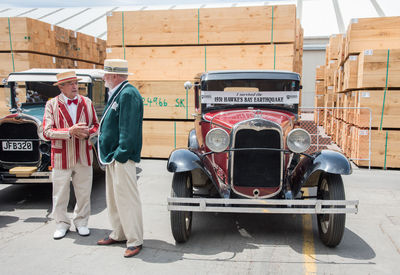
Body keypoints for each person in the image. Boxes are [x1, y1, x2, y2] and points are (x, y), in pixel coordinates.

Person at [43, 71, 99, 240]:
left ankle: (82, 222)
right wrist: (69, 131)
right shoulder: (52, 104)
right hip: (62, 156)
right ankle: (61, 224)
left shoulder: (87, 102)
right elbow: (46, 132)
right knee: (60, 193)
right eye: (70, 83)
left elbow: (96, 125)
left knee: (83, 192)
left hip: (83, 155)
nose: (75, 86)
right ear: (61, 87)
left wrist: (88, 133)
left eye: (76, 82)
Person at [97, 59, 144, 258]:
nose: (104, 78)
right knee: (115, 198)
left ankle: (135, 240)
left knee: (127, 199)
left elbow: (128, 128)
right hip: (113, 156)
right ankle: (119, 232)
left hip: (121, 157)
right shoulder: (119, 92)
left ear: (114, 76)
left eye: (106, 75)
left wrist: (121, 153)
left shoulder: (128, 94)